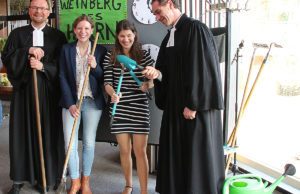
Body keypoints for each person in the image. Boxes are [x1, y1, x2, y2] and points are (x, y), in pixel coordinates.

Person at [142, 0, 225, 193]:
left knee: (195, 158)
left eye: (158, 12)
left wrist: (193, 104)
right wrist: (157, 74)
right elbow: (168, 73)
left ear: (170, 4)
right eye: (154, 14)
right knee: (178, 158)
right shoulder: (170, 35)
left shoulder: (196, 29)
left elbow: (203, 69)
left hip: (193, 110)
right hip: (175, 109)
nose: (156, 18)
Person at [1, 0, 67, 193]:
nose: (39, 11)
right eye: (35, 8)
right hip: (23, 93)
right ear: (29, 11)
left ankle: (47, 176)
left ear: (49, 12)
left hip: (48, 95)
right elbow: (7, 58)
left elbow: (63, 66)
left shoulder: (58, 36)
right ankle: (19, 179)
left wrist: (44, 67)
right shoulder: (17, 34)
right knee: (21, 134)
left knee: (48, 133)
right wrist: (26, 51)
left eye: (43, 8)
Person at [103, 19, 154, 194]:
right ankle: (128, 185)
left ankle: (144, 191)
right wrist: (112, 94)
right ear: (117, 36)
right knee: (125, 151)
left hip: (139, 107)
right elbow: (107, 82)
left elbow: (152, 80)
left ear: (134, 35)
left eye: (129, 35)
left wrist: (147, 85)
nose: (126, 39)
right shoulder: (111, 56)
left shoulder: (144, 55)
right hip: (120, 108)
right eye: (122, 36)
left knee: (140, 152)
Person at [59, 15, 107, 194]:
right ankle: (75, 182)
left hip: (92, 103)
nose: (83, 31)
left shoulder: (100, 50)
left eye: (87, 28)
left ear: (92, 30)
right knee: (69, 144)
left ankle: (86, 181)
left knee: (88, 143)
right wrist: (70, 103)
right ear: (74, 30)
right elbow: (62, 76)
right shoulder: (66, 49)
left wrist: (95, 67)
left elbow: (104, 79)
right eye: (79, 28)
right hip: (71, 103)